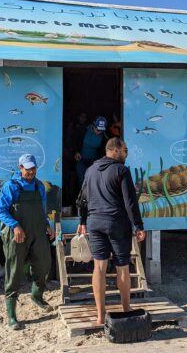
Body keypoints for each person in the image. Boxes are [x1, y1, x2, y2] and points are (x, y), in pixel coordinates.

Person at [76, 137, 146, 325]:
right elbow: (130, 202)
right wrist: (138, 225)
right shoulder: (121, 170)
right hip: (116, 223)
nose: (126, 153)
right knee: (122, 266)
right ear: (115, 150)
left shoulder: (90, 170)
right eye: (125, 150)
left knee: (99, 267)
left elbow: (82, 198)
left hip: (94, 222)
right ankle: (126, 308)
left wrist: (82, 220)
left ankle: (100, 315)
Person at [0, 154, 56, 330]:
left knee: (44, 264)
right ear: (20, 167)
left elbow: (42, 209)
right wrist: (15, 226)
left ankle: (37, 296)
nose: (31, 171)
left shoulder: (39, 186)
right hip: (17, 234)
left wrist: (47, 225)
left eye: (33, 168)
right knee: (14, 271)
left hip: (38, 232)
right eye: (27, 168)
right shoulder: (11, 186)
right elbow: (0, 211)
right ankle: (12, 314)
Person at [74, 116, 109, 187]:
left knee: (94, 180)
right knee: (82, 179)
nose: (99, 132)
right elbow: (75, 141)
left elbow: (105, 148)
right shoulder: (83, 130)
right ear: (93, 125)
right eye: (98, 129)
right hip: (81, 159)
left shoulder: (104, 135)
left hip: (94, 160)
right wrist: (76, 151)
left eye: (101, 130)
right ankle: (82, 197)